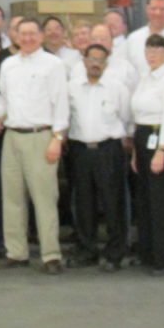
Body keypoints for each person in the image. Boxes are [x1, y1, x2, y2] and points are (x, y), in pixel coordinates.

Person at [0, 18, 69, 274]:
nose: (27, 38)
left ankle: (51, 255)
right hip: (12, 136)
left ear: (41, 36)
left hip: (41, 136)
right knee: (12, 198)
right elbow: (3, 99)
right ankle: (16, 252)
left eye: (32, 34)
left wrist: (57, 138)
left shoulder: (53, 64)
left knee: (44, 198)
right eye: (22, 34)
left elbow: (61, 103)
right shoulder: (8, 65)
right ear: (15, 37)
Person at [65, 43, 131, 272]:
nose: (95, 64)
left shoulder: (117, 88)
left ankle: (115, 253)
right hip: (80, 150)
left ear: (106, 63)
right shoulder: (72, 87)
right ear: (84, 61)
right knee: (83, 202)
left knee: (113, 202)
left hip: (108, 149)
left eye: (100, 60)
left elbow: (126, 118)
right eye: (91, 59)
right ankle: (87, 250)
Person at [130, 34, 164, 276]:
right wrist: (135, 152)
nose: (152, 56)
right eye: (149, 51)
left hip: (163, 140)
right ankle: (148, 253)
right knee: (145, 200)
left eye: (157, 51)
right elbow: (138, 116)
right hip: (143, 138)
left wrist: (162, 151)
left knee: (161, 201)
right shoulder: (145, 78)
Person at [69, 23, 138, 92]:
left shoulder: (125, 68)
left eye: (103, 39)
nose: (98, 43)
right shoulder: (79, 68)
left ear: (112, 42)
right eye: (94, 39)